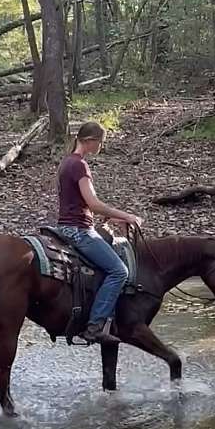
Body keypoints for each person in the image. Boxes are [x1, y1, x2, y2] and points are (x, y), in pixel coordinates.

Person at [57, 121, 142, 344]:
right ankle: (95, 325)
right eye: (101, 142)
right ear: (91, 140)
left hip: (67, 226)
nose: (101, 147)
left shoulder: (66, 163)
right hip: (79, 231)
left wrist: (109, 217)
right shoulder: (79, 165)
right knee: (119, 271)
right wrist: (127, 216)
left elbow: (78, 205)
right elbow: (93, 203)